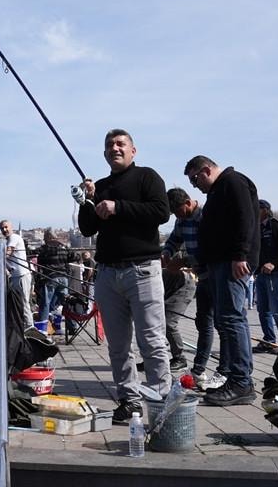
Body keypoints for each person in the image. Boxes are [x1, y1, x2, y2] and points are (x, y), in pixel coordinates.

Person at [79, 129, 172, 422]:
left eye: (121, 144)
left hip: (142, 269)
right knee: (118, 346)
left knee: (151, 340)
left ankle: (160, 400)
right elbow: (87, 228)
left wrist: (117, 207)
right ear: (105, 153)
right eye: (110, 145)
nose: (115, 148)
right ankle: (129, 400)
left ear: (133, 150)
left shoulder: (147, 177)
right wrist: (86, 200)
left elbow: (161, 212)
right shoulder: (101, 186)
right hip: (108, 273)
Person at [186, 154, 259, 407]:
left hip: (232, 262)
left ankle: (241, 381)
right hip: (220, 262)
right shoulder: (219, 190)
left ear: (206, 170)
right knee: (228, 318)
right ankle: (238, 379)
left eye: (195, 179)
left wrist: (240, 255)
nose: (195, 186)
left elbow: (245, 218)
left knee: (231, 319)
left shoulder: (233, 182)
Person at [163, 187, 224, 391]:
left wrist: (183, 261)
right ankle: (198, 370)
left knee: (223, 325)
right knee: (203, 324)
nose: (177, 216)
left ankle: (226, 371)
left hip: (217, 275)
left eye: (179, 211)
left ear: (188, 203)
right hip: (203, 277)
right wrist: (167, 252)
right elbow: (174, 239)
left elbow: (212, 249)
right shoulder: (182, 220)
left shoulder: (206, 217)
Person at [253, 200, 278, 352]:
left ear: (265, 210)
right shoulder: (257, 227)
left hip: (276, 272)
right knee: (262, 308)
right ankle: (269, 340)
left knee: (276, 306)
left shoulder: (274, 225)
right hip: (261, 272)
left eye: (257, 208)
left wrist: (273, 263)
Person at [34, 230, 76, 325]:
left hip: (50, 277)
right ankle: (71, 324)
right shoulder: (63, 247)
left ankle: (43, 327)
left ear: (49, 237)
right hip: (63, 278)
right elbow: (74, 257)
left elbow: (33, 253)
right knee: (66, 301)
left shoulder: (45, 248)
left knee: (45, 303)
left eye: (45, 238)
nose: (44, 240)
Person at [0, 220, 34, 330]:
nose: (4, 230)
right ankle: (21, 325)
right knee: (17, 302)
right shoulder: (7, 241)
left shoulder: (14, 237)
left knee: (24, 301)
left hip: (22, 275)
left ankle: (29, 326)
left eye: (6, 227)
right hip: (14, 276)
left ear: (11, 227)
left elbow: (8, 253)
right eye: (2, 228)